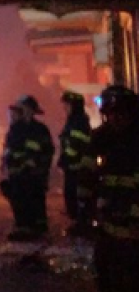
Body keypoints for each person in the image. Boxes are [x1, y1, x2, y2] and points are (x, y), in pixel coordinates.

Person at [90, 85, 139, 292]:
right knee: (105, 256)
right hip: (109, 210)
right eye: (111, 114)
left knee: (131, 262)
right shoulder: (101, 138)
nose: (115, 119)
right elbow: (90, 175)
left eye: (120, 114)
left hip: (133, 212)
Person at [0, 95, 53, 240]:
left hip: (33, 174)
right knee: (19, 200)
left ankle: (35, 229)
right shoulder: (16, 129)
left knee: (34, 200)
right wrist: (5, 169)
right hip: (17, 173)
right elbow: (9, 151)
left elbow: (46, 151)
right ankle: (24, 227)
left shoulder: (39, 130)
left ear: (30, 110)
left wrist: (39, 168)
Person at [58, 90, 96, 236]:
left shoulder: (78, 122)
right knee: (72, 195)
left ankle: (82, 223)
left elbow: (77, 145)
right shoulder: (74, 121)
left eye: (67, 105)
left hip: (77, 167)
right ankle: (78, 222)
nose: (65, 108)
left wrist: (68, 159)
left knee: (78, 195)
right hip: (72, 166)